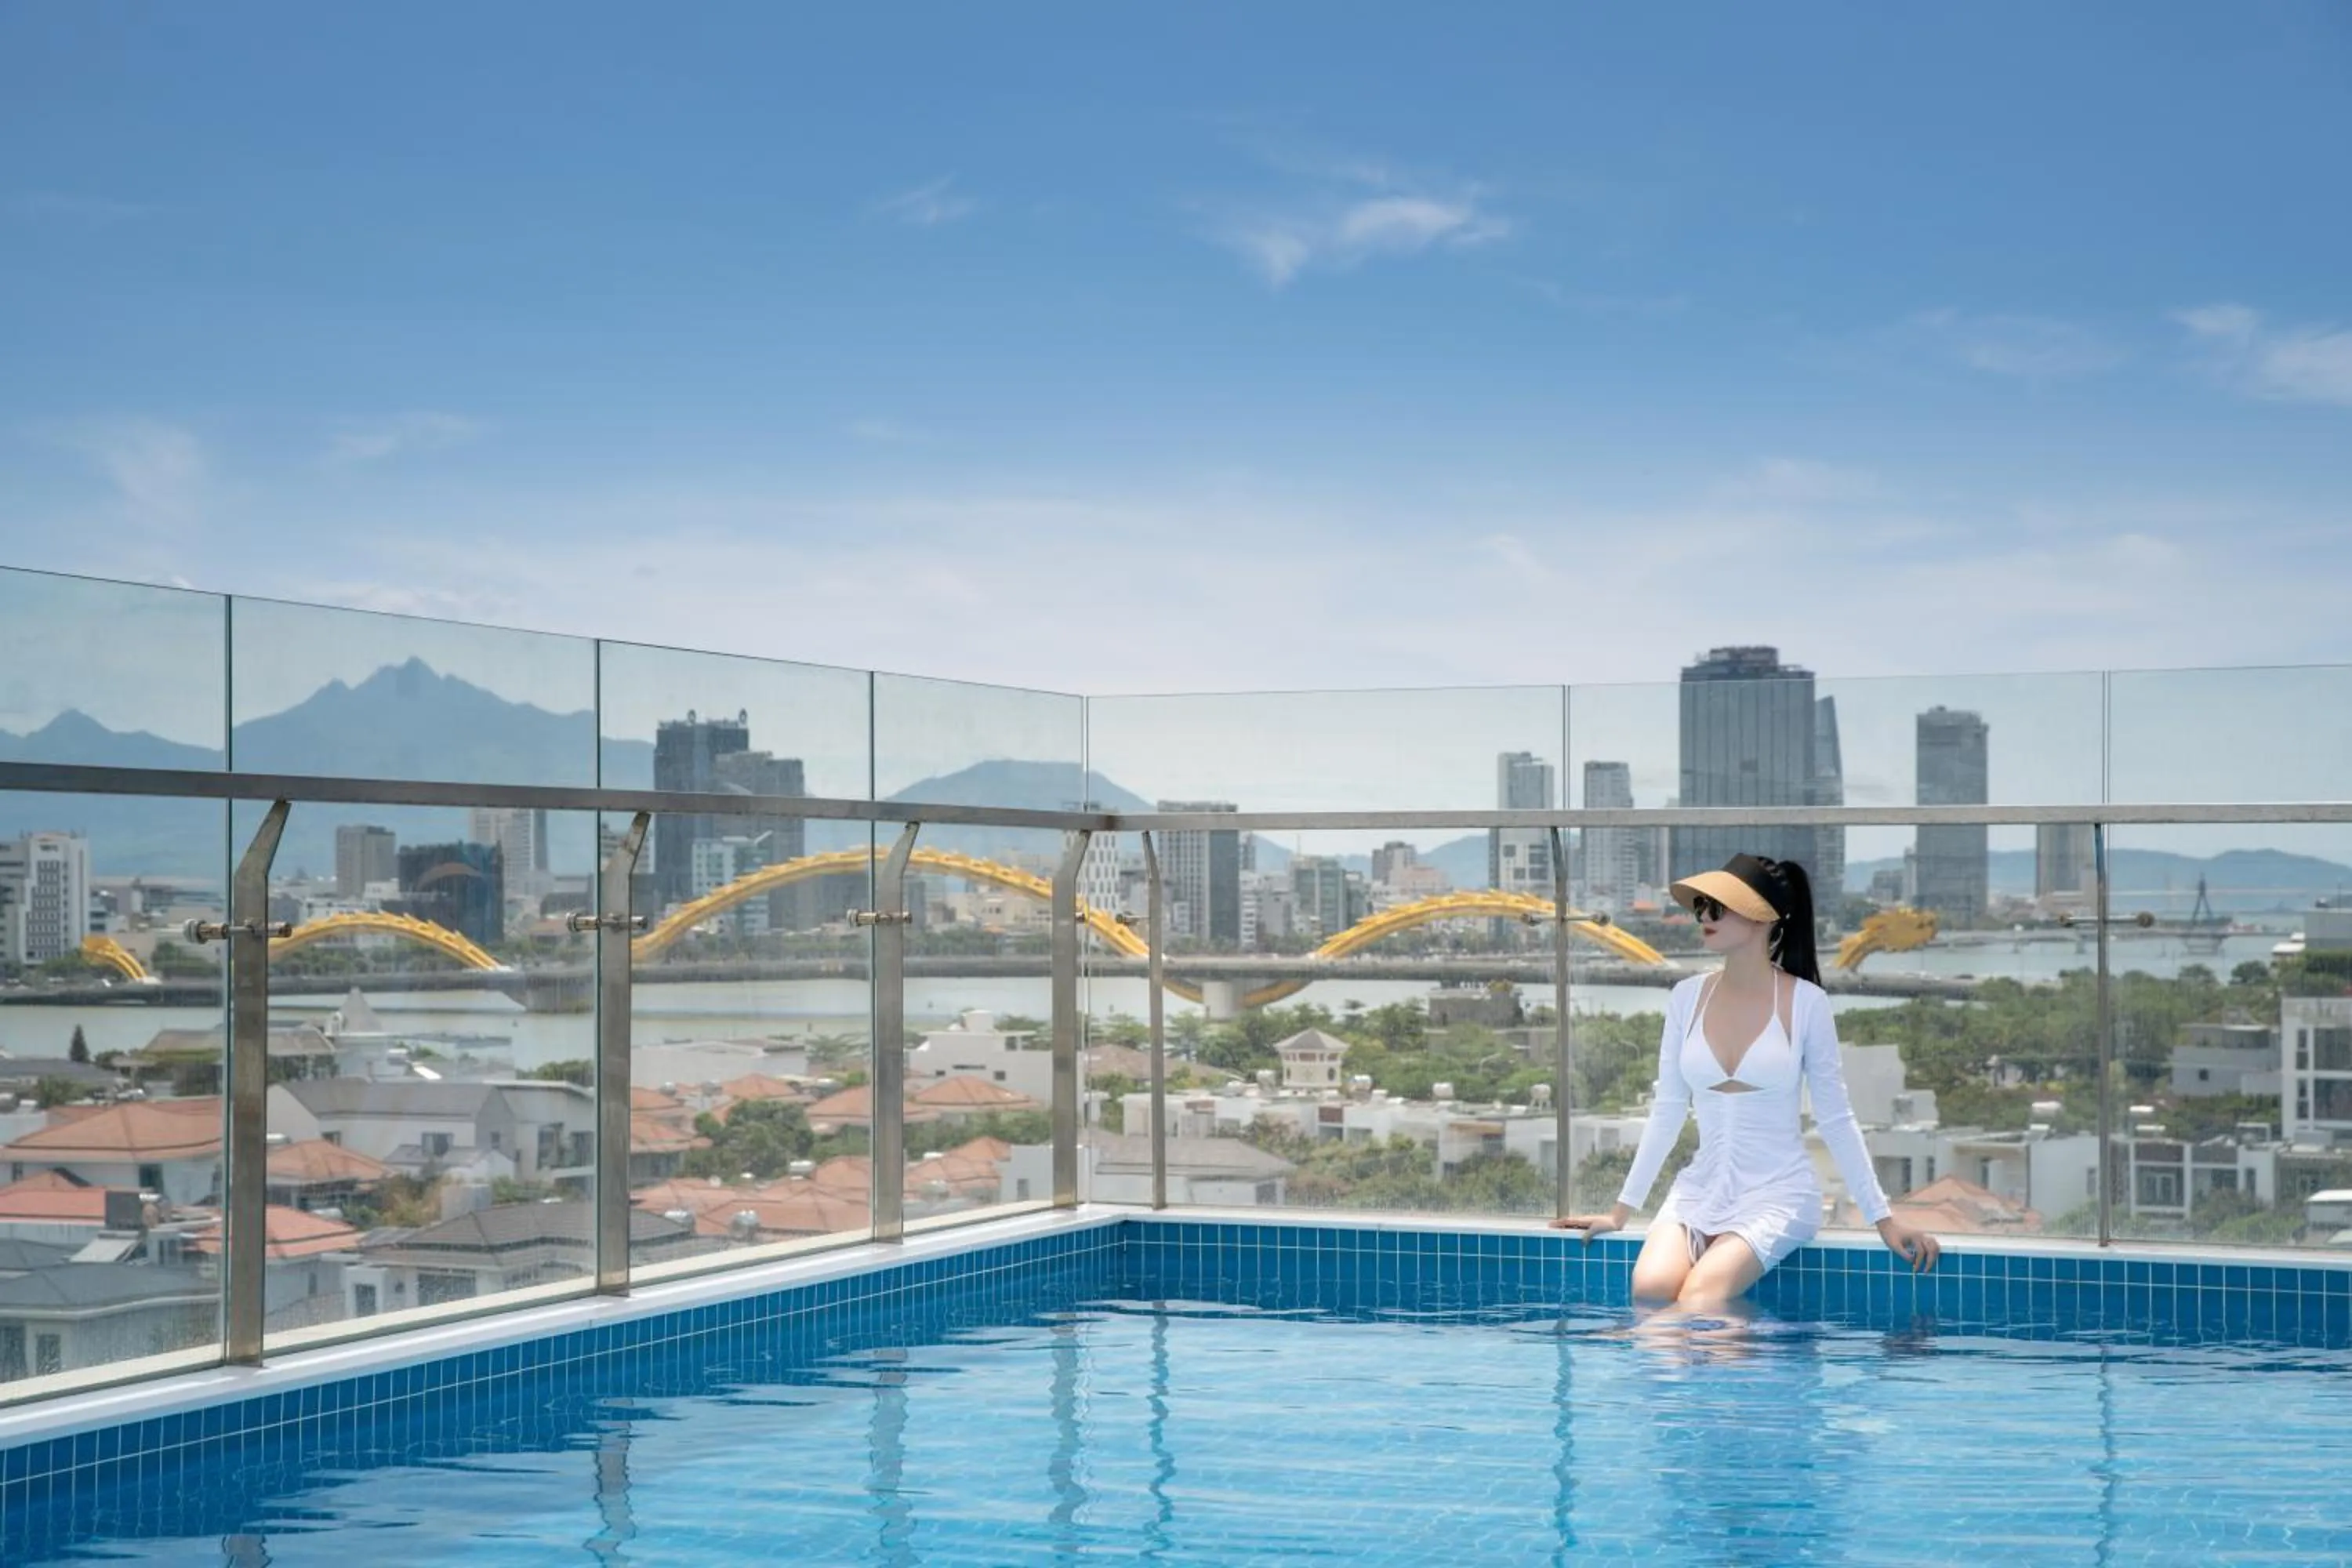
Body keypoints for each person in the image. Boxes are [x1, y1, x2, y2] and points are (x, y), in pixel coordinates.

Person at [1555, 852, 1940, 1305]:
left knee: (1700, 1299)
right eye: (1701, 905)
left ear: (1764, 917)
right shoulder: (1686, 997)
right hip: (1699, 1190)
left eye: (1719, 907)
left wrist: (1884, 1218)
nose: (1704, 916)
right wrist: (1620, 1213)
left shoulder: (1806, 1003)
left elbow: (1836, 1118)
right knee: (1650, 1292)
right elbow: (1668, 1111)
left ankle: (1730, 1368)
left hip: (1778, 1193)